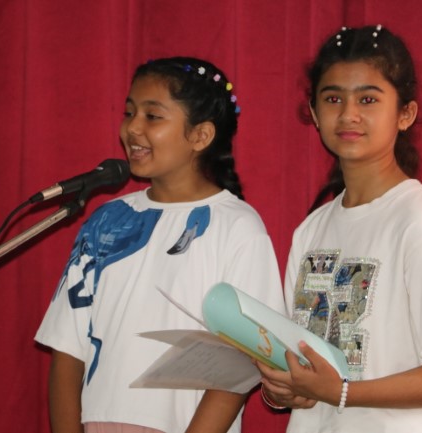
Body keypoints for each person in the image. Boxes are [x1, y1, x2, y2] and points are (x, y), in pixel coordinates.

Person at [35, 56, 285, 433]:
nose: (132, 128)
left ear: (200, 136)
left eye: (152, 116)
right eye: (129, 113)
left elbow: (243, 362)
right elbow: (67, 351)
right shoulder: (106, 220)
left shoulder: (238, 227)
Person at [254, 25, 422, 432]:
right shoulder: (311, 230)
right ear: (314, 113)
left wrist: (342, 392)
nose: (348, 114)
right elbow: (302, 365)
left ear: (405, 114)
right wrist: (285, 390)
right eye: (333, 99)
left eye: (368, 99)